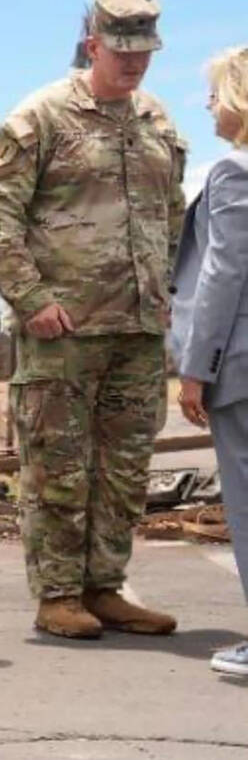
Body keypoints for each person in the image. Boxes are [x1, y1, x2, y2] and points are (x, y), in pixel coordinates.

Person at [0, 0, 186, 639]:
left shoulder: (156, 123)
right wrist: (32, 299)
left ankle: (105, 587)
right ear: (93, 45)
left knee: (124, 470)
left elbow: (172, 215)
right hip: (63, 330)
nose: (133, 64)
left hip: (138, 329)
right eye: (121, 51)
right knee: (58, 466)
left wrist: (165, 292)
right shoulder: (42, 117)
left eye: (143, 51)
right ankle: (58, 594)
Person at [169, 45, 248, 675]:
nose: (207, 104)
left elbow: (223, 273)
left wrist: (197, 366)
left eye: (217, 92)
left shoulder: (233, 172)